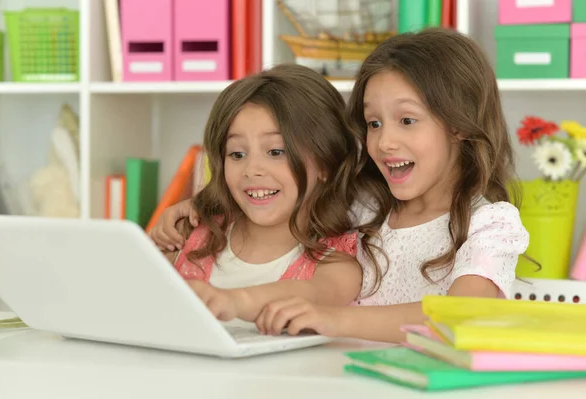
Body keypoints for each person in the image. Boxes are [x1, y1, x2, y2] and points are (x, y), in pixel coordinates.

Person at [151, 28, 530, 342]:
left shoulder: (490, 226)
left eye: (407, 120)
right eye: (374, 123)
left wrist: (333, 320)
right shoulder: (367, 207)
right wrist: (197, 207)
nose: (384, 142)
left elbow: (461, 316)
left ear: (459, 124)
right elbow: (284, 192)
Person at [159, 63, 373, 323]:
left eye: (275, 152)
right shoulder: (192, 238)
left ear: (325, 163)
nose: (252, 170)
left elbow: (312, 293)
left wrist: (234, 301)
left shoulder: (337, 264)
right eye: (237, 154)